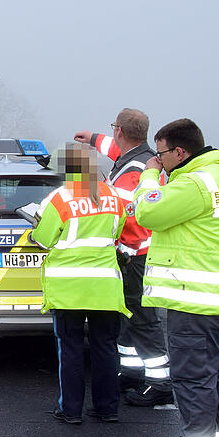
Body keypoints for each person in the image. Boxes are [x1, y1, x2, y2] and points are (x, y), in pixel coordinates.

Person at [132, 119, 219, 437]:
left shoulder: (193, 183)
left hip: (195, 300)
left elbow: (147, 213)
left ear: (179, 152)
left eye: (161, 153)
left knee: (193, 381)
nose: (158, 160)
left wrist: (149, 178)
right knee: (218, 375)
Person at [75, 109, 171, 406]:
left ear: (119, 130)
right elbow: (115, 147)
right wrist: (92, 139)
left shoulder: (133, 172)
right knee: (127, 316)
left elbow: (133, 221)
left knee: (142, 318)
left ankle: (160, 382)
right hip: (139, 253)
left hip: (136, 256)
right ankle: (132, 372)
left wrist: (123, 253)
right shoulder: (140, 157)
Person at [32, 143, 129, 425]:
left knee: (71, 348)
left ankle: (71, 409)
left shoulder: (60, 198)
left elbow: (43, 239)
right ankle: (107, 408)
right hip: (106, 287)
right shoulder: (112, 196)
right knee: (105, 348)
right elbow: (118, 233)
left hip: (69, 288)